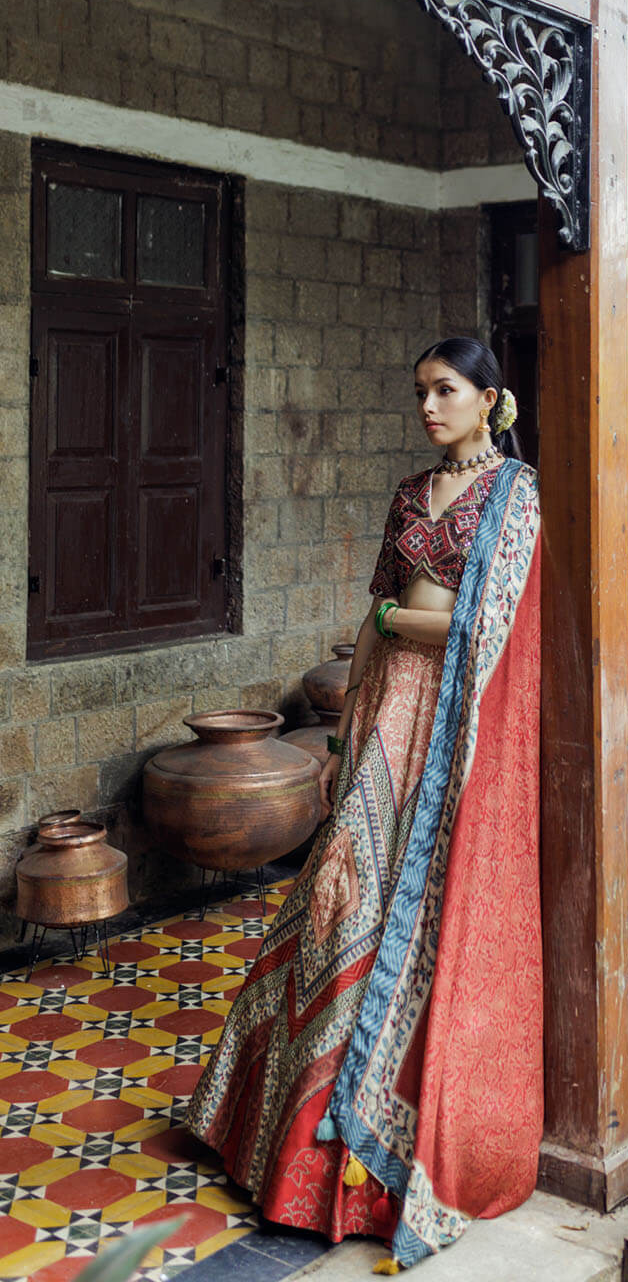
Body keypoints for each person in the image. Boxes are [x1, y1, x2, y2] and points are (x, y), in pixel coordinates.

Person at [186, 336, 543, 1272]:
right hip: (386, 711)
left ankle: (369, 1162)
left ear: (490, 399)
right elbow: (376, 608)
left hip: (455, 728)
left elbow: (485, 625)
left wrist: (397, 620)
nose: (429, 407)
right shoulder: (408, 493)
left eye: (446, 390)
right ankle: (282, 1142)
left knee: (406, 905)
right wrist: (351, 728)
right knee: (340, 884)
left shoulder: (515, 494)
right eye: (421, 391)